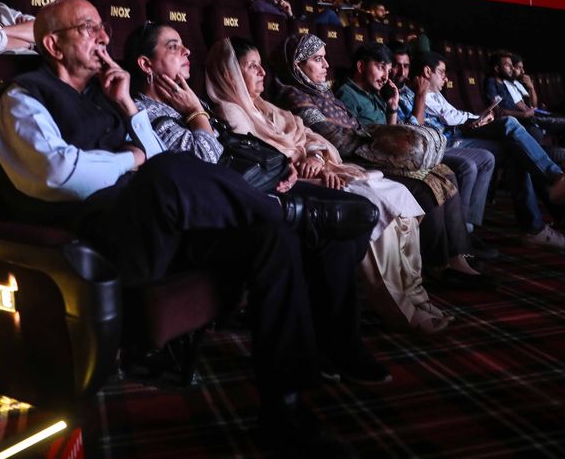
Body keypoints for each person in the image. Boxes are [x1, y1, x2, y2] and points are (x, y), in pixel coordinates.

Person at [0, 0, 373, 454]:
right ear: (52, 44)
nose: (105, 38)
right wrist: (130, 157)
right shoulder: (20, 97)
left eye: (103, 27)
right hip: (102, 243)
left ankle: (284, 409)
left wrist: (129, 107)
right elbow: (58, 173)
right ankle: (283, 209)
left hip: (161, 226)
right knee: (166, 172)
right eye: (89, 28)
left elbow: (161, 156)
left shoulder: (108, 97)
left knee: (271, 239)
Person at [127, 22, 389, 385]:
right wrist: (195, 114)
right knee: (336, 228)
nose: (188, 52)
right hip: (222, 207)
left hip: (254, 187)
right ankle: (335, 347)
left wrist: (281, 166)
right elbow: (208, 160)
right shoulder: (147, 112)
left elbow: (237, 149)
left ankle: (334, 343)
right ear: (146, 65)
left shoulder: (190, 100)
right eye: (173, 47)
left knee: (350, 219)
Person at [207, 36, 454, 333]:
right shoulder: (233, 112)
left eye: (261, 66)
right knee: (373, 208)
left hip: (323, 167)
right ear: (230, 73)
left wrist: (316, 155)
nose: (262, 73)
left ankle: (415, 293)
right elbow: (264, 158)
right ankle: (398, 307)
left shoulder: (263, 105)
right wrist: (309, 161)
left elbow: (308, 136)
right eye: (252, 67)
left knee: (399, 197)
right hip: (294, 182)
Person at [277, 34, 492, 289]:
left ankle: (457, 255)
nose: (326, 65)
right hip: (351, 159)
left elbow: (358, 129)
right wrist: (382, 142)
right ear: (297, 64)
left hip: (366, 150)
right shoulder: (295, 95)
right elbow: (332, 136)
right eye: (317, 59)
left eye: (325, 58)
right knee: (424, 185)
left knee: (443, 172)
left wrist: (386, 133)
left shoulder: (324, 93)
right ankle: (437, 264)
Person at [402, 52, 565, 248]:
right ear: (428, 72)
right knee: (510, 127)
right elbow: (417, 133)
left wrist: (477, 119)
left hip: (461, 133)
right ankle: (552, 195)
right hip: (450, 141)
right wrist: (471, 120)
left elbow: (455, 114)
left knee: (515, 144)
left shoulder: (436, 95)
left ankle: (543, 218)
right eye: (442, 72)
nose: (446, 78)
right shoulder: (409, 95)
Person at [390, 47, 498, 259]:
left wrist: (472, 121)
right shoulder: (402, 94)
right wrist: (420, 96)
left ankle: (466, 228)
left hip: (441, 140)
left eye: (405, 66)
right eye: (396, 65)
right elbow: (413, 133)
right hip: (422, 149)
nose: (401, 71)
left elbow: (449, 117)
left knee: (487, 157)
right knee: (469, 165)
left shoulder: (416, 92)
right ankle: (459, 237)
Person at [490, 52, 565, 178]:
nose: (519, 70)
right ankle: (562, 168)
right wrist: (526, 112)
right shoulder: (497, 83)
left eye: (514, 66)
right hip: (530, 118)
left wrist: (531, 88)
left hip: (535, 114)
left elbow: (532, 105)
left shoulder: (513, 84)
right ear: (497, 68)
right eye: (515, 67)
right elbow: (501, 109)